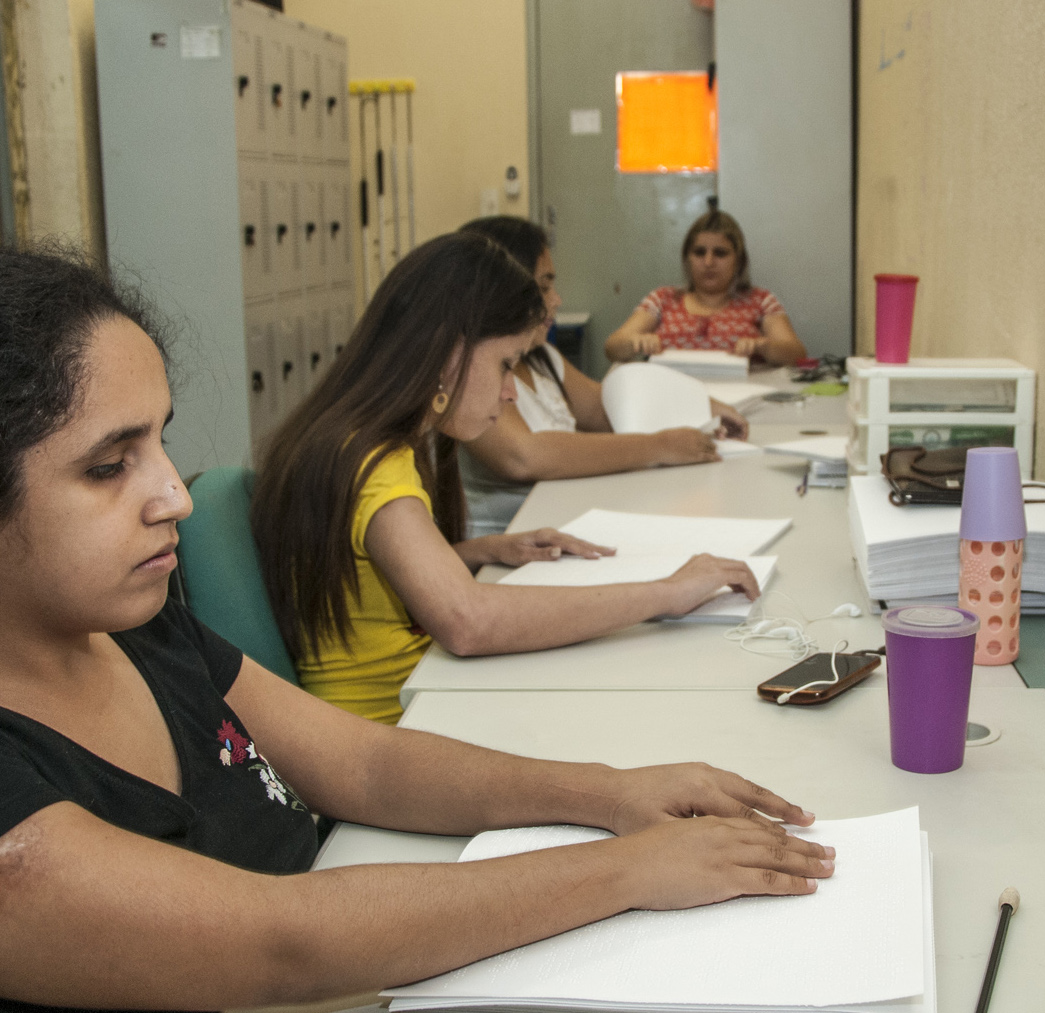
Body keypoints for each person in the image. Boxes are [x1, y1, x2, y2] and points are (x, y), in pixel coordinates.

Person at [0, 245, 833, 1013]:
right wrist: (629, 870)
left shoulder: (116, 618)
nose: (172, 495)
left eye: (160, 445)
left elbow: (359, 760)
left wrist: (609, 792)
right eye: (109, 464)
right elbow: (282, 942)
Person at [252, 234, 762, 725]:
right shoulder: (376, 463)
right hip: (394, 733)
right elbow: (468, 621)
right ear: (449, 351)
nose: (510, 393)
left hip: (414, 707)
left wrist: (483, 551)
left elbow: (365, 578)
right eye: (505, 366)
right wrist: (667, 592)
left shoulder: (350, 436)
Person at [457, 215, 748, 537]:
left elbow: (605, 408)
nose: (556, 300)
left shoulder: (543, 359)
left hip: (559, 521)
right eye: (543, 287)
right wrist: (658, 447)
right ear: (501, 293)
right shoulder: (468, 368)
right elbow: (523, 456)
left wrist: (700, 407)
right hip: (506, 539)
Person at [605, 210, 808, 366]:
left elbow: (797, 354)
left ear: (738, 261)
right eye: (699, 253)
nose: (709, 262)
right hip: (671, 399)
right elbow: (612, 347)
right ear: (687, 259)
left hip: (741, 401)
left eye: (720, 253)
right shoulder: (663, 298)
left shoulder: (760, 300)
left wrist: (763, 347)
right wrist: (636, 343)